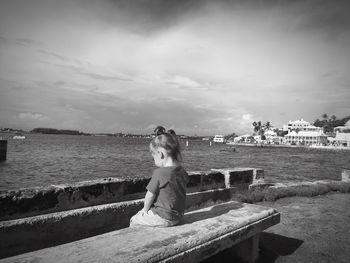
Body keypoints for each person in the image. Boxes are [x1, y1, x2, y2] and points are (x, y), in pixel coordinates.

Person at [129, 126, 189, 227]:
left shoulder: (160, 173)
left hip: (163, 217)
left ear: (160, 154)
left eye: (154, 157)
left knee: (134, 219)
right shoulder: (182, 171)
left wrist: (145, 210)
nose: (154, 161)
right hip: (178, 216)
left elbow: (150, 195)